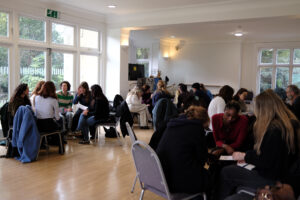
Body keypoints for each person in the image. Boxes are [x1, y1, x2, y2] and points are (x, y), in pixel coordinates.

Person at [217, 89, 300, 200]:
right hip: (283, 177)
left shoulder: (274, 130)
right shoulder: (288, 124)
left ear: (263, 110)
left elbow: (265, 160)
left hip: (272, 178)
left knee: (226, 172)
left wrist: (245, 156)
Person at [156, 106, 210, 194]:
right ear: (204, 120)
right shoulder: (197, 128)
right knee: (212, 177)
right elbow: (201, 160)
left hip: (163, 178)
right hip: (178, 182)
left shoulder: (172, 125)